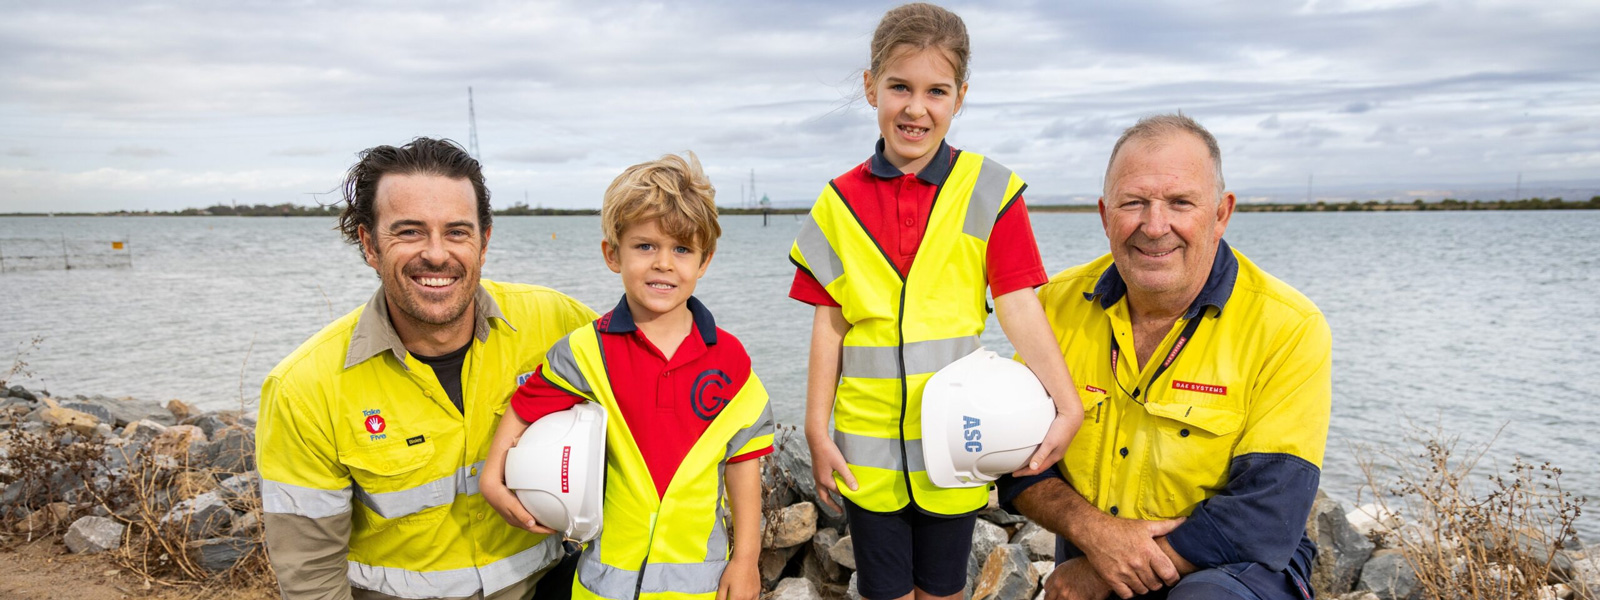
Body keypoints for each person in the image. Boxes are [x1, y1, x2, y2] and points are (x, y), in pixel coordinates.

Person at [787, 4, 1085, 600]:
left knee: (945, 590)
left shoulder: (991, 190)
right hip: (866, 453)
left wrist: (1067, 404)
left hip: (958, 442)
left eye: (936, 91)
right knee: (885, 591)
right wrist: (817, 430)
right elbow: (830, 325)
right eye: (899, 87)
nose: (916, 108)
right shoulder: (837, 203)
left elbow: (1019, 306)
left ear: (960, 96)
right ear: (870, 87)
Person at [1001, 114, 1332, 600]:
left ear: (1221, 213)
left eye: (1180, 203)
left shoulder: (1288, 326)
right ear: (1104, 215)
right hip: (1094, 547)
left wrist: (1102, 573)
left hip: (1236, 569)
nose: (1155, 227)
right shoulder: (1053, 307)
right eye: (1134, 203)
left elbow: (1269, 511)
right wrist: (1094, 533)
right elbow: (1015, 460)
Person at [257, 137, 597, 600]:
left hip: (544, 585)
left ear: (484, 242)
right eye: (410, 232)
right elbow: (311, 575)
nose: (437, 254)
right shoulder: (303, 389)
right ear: (370, 244)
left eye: (457, 232)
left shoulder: (558, 323)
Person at [480, 153, 773, 600]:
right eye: (645, 246)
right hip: (602, 586)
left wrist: (746, 559)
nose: (663, 263)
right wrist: (491, 478)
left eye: (682, 249)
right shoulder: (586, 351)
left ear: (704, 261)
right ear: (612, 254)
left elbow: (743, 458)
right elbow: (525, 408)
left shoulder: (729, 359)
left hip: (701, 587)